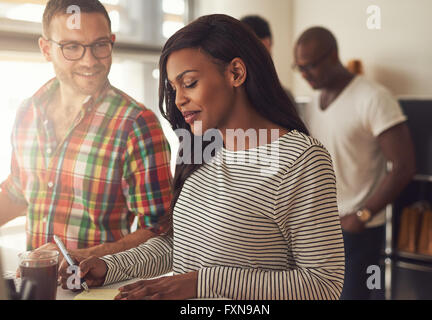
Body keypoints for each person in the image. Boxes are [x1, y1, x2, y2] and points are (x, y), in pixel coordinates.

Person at [61, 14, 345, 300]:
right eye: (173, 88)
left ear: (235, 73)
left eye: (190, 83)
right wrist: (110, 267)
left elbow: (323, 285)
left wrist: (202, 283)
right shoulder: (200, 148)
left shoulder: (302, 161)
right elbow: (179, 244)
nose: (178, 99)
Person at [0, 0, 173, 264]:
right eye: (72, 47)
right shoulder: (28, 111)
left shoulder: (137, 125)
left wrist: (82, 257)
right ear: (46, 49)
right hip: (35, 286)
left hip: (97, 289)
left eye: (100, 45)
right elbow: (18, 192)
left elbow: (162, 231)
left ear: (111, 42)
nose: (89, 60)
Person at [293, 27, 416, 300]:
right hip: (318, 229)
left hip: (356, 231)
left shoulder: (373, 97)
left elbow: (404, 166)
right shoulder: (312, 103)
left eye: (310, 66)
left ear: (333, 55)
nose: (304, 74)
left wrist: (362, 215)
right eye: (299, 67)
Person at [241, 15, 296, 105]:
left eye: (264, 52)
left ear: (269, 44)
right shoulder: (231, 96)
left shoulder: (283, 97)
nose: (259, 60)